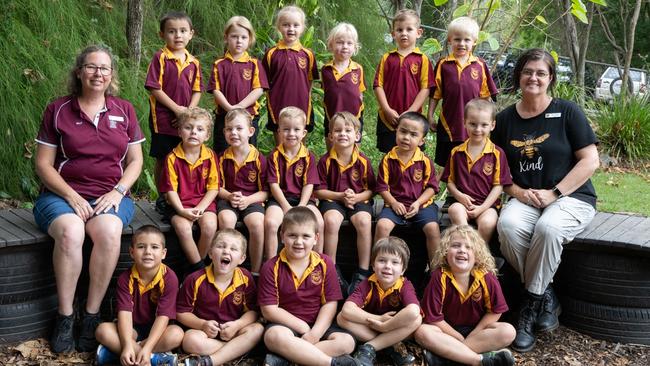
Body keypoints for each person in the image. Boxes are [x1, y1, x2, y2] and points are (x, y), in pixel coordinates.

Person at [33, 45, 144, 353]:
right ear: (79, 72)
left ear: (111, 75)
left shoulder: (124, 110)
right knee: (71, 231)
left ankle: (92, 316)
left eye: (104, 68)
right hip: (61, 195)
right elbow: (43, 164)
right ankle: (66, 317)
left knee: (109, 232)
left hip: (111, 194)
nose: (98, 73)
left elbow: (136, 161)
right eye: (92, 67)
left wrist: (118, 191)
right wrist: (71, 195)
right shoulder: (58, 110)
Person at [491, 48, 599, 352]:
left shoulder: (567, 112)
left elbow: (590, 161)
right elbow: (498, 172)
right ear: (519, 76)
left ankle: (529, 305)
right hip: (525, 197)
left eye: (540, 73)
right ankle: (545, 292)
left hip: (570, 196)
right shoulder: (504, 120)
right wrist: (518, 193)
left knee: (548, 229)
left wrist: (555, 193)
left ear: (550, 78)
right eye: (527, 71)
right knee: (508, 226)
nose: (533, 78)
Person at [257, 207, 359, 366]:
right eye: (292, 235)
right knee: (273, 336)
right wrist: (303, 328)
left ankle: (286, 358)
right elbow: (269, 310)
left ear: (316, 238)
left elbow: (330, 303)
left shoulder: (325, 263)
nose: (299, 242)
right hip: (287, 326)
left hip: (318, 323)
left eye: (306, 236)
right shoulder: (271, 267)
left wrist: (315, 333)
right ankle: (331, 363)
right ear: (282, 236)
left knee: (347, 342)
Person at [415, 225, 516, 366]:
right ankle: (478, 361)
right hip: (445, 332)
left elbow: (495, 311)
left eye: (468, 247)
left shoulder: (486, 277)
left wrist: (475, 333)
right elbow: (433, 318)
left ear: (477, 255)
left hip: (477, 332)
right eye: (456, 246)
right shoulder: (439, 276)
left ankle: (446, 358)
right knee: (422, 332)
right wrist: (457, 337)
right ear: (445, 252)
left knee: (508, 331)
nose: (462, 250)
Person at [95, 225, 183, 366]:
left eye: (154, 247)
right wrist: (128, 344)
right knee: (102, 330)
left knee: (177, 334)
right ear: (131, 252)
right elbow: (124, 313)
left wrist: (147, 347)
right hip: (131, 328)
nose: (148, 252)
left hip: (158, 330)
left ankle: (115, 353)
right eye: (141, 247)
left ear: (164, 253)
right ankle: (154, 359)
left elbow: (163, 317)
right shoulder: (125, 278)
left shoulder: (169, 278)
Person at [177, 229, 263, 366]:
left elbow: (253, 311)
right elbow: (181, 313)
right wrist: (202, 324)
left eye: (234, 249)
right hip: (205, 333)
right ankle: (238, 350)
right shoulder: (195, 279)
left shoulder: (245, 278)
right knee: (190, 340)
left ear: (242, 258)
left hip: (234, 330)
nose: (226, 251)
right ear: (210, 253)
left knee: (257, 329)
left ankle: (212, 360)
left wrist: (237, 325)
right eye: (221, 246)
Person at [145, 11, 202, 213]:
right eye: (171, 31)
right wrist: (177, 109)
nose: (177, 35)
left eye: (182, 31)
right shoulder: (160, 58)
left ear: (191, 34)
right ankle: (162, 196)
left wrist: (189, 112)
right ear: (162, 35)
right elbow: (154, 87)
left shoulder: (193, 62)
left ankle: (180, 194)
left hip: (185, 120)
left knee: (183, 156)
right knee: (164, 157)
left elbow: (197, 90)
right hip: (163, 119)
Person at [315, 112, 375, 294]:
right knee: (331, 221)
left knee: (364, 221)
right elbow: (318, 190)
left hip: (358, 199)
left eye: (348, 130)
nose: (343, 134)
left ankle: (363, 272)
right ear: (331, 136)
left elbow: (373, 189)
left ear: (357, 136)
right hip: (333, 199)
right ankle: (332, 269)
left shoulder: (363, 161)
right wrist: (340, 196)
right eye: (338, 131)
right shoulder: (325, 161)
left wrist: (357, 197)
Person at [428, 16, 498, 171]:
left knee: (470, 163)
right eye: (457, 39)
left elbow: (486, 97)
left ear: (474, 41)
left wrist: (488, 119)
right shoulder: (443, 64)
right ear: (449, 41)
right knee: (448, 164)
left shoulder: (480, 65)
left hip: (474, 125)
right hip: (448, 123)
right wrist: (430, 115)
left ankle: (468, 190)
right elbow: (435, 94)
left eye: (467, 40)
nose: (461, 43)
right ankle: (449, 194)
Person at [337, 237, 421, 366]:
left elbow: (413, 311)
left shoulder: (404, 285)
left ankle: (371, 346)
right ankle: (390, 346)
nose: (387, 266)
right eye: (382, 260)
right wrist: (380, 319)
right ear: (373, 265)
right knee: (341, 318)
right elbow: (347, 309)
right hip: (371, 327)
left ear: (403, 269)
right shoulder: (367, 283)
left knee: (417, 319)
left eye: (394, 262)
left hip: (395, 329)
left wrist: (385, 326)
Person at [441, 98, 512, 244]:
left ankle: (479, 257)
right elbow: (449, 181)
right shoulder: (456, 152)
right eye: (473, 124)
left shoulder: (497, 153)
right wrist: (459, 196)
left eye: (484, 125)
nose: (478, 129)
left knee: (487, 223)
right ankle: (467, 247)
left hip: (487, 205)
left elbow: (499, 186)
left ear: (492, 125)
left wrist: (482, 208)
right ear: (464, 122)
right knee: (454, 210)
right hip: (462, 203)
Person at [374, 112, 440, 267]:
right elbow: (382, 187)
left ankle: (436, 270)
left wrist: (418, 203)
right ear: (396, 131)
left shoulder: (425, 161)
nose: (406, 137)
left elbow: (432, 188)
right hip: (394, 204)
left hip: (421, 204)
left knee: (433, 228)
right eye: (403, 131)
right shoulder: (388, 159)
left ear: (422, 140)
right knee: (382, 226)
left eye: (413, 135)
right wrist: (394, 203)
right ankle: (376, 265)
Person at [159, 107, 219, 275]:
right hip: (179, 204)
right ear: (179, 131)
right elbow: (170, 190)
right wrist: (181, 211)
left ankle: (193, 271)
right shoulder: (172, 158)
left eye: (200, 129)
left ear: (207, 136)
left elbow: (214, 187)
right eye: (188, 127)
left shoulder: (210, 156)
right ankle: (199, 271)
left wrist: (201, 208)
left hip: (203, 203)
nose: (194, 132)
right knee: (184, 228)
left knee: (209, 226)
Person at [264, 107, 324, 259]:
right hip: (279, 200)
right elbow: (273, 185)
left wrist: (302, 206)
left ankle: (318, 264)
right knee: (271, 223)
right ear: (279, 132)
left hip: (303, 200)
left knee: (319, 222)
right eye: (286, 129)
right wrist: (286, 207)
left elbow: (309, 184)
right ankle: (270, 266)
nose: (291, 134)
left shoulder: (309, 156)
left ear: (304, 133)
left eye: (296, 129)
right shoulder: (274, 156)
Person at [373, 9, 433, 153]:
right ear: (393, 34)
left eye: (409, 29)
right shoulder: (387, 58)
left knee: (412, 156)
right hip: (389, 118)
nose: (404, 33)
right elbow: (377, 85)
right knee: (389, 155)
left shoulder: (422, 60)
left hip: (413, 118)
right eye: (399, 30)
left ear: (418, 32)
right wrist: (387, 109)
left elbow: (426, 88)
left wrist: (411, 111)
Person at [216, 109, 268, 275]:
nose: (234, 133)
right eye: (229, 129)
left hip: (252, 200)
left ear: (250, 131)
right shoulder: (222, 158)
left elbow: (266, 192)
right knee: (226, 219)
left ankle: (255, 271)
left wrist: (248, 200)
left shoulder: (259, 159)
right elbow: (216, 187)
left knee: (258, 224)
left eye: (239, 128)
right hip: (228, 199)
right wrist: (229, 196)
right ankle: (229, 268)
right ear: (224, 132)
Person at [207, 15, 268, 153]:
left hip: (249, 116)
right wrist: (229, 108)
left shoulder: (254, 64)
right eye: (234, 36)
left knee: (248, 154)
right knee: (222, 154)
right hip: (224, 116)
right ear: (226, 37)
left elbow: (258, 89)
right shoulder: (219, 65)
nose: (239, 41)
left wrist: (240, 107)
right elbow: (216, 90)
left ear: (250, 39)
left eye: (243, 37)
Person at [263, 5, 319, 145]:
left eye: (296, 25)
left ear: (302, 28)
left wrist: (305, 96)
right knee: (281, 146)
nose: (291, 29)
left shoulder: (308, 54)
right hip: (277, 104)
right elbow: (264, 81)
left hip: (302, 104)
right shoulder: (271, 54)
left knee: (300, 146)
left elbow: (310, 80)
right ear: (279, 27)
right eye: (286, 25)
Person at [321, 23, 366, 150]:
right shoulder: (325, 70)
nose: (345, 47)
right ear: (331, 45)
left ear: (355, 47)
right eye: (340, 42)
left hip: (354, 115)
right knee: (332, 150)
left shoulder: (358, 69)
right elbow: (327, 92)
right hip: (332, 114)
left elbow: (360, 92)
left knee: (354, 151)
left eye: (349, 43)